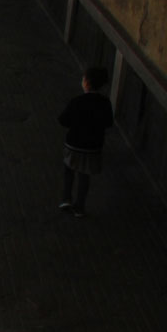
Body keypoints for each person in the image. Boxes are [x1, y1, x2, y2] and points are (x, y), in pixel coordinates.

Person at [58, 66, 113, 218]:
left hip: (74, 144)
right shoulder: (105, 103)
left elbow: (63, 120)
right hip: (92, 146)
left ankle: (66, 198)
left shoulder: (77, 101)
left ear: (86, 83)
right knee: (84, 175)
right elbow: (109, 122)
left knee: (69, 169)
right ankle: (80, 206)